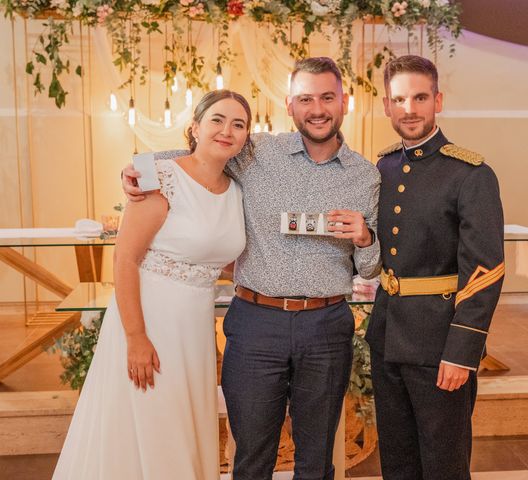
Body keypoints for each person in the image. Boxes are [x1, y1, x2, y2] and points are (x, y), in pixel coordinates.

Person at [123, 57, 381, 480]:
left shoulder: (365, 176)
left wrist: (365, 239)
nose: (317, 108)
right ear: (290, 105)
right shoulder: (257, 151)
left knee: (316, 459)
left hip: (327, 325)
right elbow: (198, 153)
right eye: (305, 99)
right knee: (252, 458)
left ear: (344, 102)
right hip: (256, 323)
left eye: (327, 97)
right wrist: (141, 169)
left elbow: (369, 271)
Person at [53, 90, 251, 480]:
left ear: (246, 137)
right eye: (217, 119)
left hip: (194, 327)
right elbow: (124, 257)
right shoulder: (159, 178)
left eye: (238, 124)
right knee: (149, 420)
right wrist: (136, 337)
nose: (227, 130)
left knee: (182, 419)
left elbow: (217, 258)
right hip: (149, 320)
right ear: (194, 128)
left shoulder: (237, 192)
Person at [366, 55, 505, 480]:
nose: (410, 109)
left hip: (439, 341)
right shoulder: (385, 166)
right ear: (387, 106)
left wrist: (462, 352)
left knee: (443, 463)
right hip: (388, 333)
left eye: (420, 97)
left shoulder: (470, 174)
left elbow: (486, 271)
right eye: (399, 99)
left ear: (438, 100)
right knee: (398, 458)